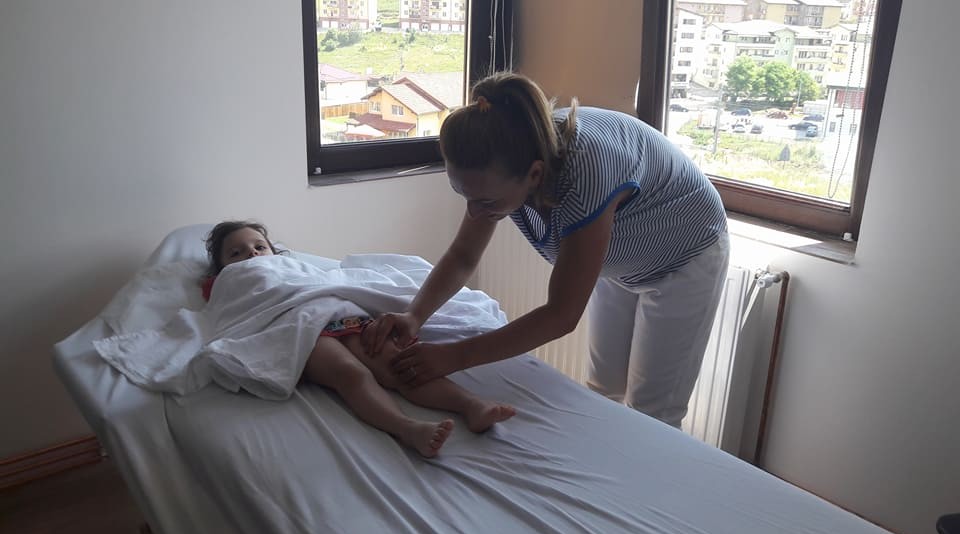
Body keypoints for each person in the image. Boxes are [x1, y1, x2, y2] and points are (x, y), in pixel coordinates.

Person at [363, 72, 729, 429]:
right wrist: (414, 315)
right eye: (464, 195)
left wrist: (455, 356)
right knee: (604, 388)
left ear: (535, 175)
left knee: (654, 413)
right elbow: (463, 254)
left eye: (486, 201)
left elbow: (561, 315)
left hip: (686, 255)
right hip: (623, 257)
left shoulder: (586, 175)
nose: (474, 212)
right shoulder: (509, 151)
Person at [203, 221, 516, 457]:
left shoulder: (293, 266)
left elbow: (325, 282)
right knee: (350, 373)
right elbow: (228, 307)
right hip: (299, 328)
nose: (252, 254)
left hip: (340, 314)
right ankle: (408, 429)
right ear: (221, 269)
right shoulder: (227, 281)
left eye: (259, 246)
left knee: (399, 363)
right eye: (236, 253)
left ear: (274, 251)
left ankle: (471, 404)